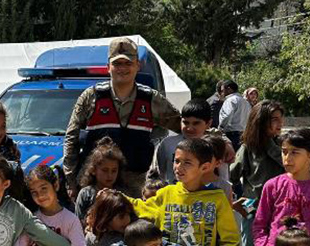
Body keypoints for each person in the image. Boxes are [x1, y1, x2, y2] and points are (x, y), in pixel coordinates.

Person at [63, 37, 181, 199]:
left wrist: (218, 140)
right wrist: (70, 180)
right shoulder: (91, 96)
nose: (122, 69)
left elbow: (186, 126)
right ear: (108, 67)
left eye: (128, 63)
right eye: (117, 64)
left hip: (135, 187)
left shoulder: (151, 99)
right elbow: (71, 138)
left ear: (137, 66)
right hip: (96, 184)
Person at [230, 100, 285, 246]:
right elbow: (231, 176)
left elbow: (288, 166)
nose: (279, 124)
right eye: (273, 120)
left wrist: (273, 145)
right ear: (260, 122)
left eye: (280, 119)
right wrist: (236, 202)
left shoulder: (283, 147)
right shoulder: (248, 148)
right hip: (254, 213)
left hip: (280, 215)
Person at [147, 98, 213, 185]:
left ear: (208, 124)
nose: (189, 128)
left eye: (196, 123)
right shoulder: (167, 144)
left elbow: (221, 178)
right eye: (186, 123)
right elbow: (159, 174)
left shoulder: (214, 146)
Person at [75, 136, 126, 224]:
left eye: (114, 171)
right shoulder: (86, 194)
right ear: (94, 170)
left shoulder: (122, 193)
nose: (110, 175)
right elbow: (78, 222)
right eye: (105, 170)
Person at [218, 80, 251, 151]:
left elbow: (226, 116)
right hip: (244, 136)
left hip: (232, 136)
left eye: (222, 90)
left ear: (229, 89)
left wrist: (220, 129)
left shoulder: (230, 100)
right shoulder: (246, 102)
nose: (221, 93)